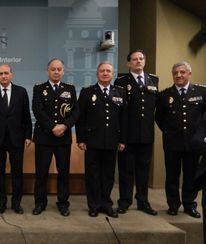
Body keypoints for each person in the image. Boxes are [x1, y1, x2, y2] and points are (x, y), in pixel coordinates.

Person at [155, 61, 206, 218]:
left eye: (182, 72)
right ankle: (173, 205)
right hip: (172, 143)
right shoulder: (164, 95)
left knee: (191, 175)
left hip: (193, 143)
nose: (179, 75)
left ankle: (189, 205)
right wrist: (170, 132)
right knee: (172, 176)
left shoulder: (201, 92)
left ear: (189, 74)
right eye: (176, 73)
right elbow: (159, 118)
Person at [76, 61, 127, 218]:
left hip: (112, 141)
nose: (105, 73)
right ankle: (94, 205)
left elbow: (124, 118)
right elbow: (80, 118)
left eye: (108, 71)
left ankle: (106, 204)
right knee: (92, 174)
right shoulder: (86, 92)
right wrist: (81, 139)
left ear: (112, 74)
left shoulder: (120, 92)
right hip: (92, 141)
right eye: (102, 71)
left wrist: (122, 140)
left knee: (109, 175)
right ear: (97, 74)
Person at [31, 58, 79, 216]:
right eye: (53, 69)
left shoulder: (70, 89)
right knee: (41, 172)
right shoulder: (39, 88)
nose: (56, 71)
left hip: (63, 137)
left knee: (63, 173)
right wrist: (52, 127)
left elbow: (75, 112)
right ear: (48, 71)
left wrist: (64, 126)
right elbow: (37, 110)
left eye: (59, 69)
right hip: (44, 137)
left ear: (63, 71)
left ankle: (63, 203)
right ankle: (40, 202)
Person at [114, 49, 158, 215]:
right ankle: (124, 201)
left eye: (141, 58)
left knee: (143, 171)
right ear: (129, 63)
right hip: (127, 135)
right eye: (134, 59)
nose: (138, 61)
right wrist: (120, 136)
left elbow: (156, 109)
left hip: (146, 136)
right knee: (126, 171)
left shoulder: (153, 80)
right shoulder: (121, 82)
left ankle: (143, 202)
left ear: (144, 61)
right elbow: (118, 111)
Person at [0, 64, 32, 214]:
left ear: (11, 75)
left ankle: (16, 203)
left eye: (6, 73)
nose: (3, 76)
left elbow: (26, 116)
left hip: (16, 138)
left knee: (17, 172)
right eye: (1, 74)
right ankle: (1, 203)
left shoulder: (21, 91)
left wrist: (27, 136)